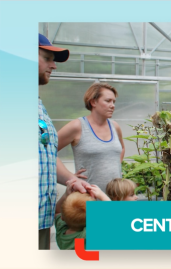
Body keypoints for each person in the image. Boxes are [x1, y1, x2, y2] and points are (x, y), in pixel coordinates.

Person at [38, 33, 90, 250]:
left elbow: (47, 154)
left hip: (41, 217)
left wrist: (72, 180)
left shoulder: (39, 106)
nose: (54, 66)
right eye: (47, 58)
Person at [57, 82, 125, 192]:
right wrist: (70, 177)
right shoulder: (77, 126)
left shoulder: (115, 126)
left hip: (115, 194)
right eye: (108, 101)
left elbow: (122, 148)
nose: (112, 105)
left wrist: (115, 167)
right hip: (88, 195)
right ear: (93, 102)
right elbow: (48, 152)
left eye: (114, 101)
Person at [55, 180, 110, 250]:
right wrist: (102, 195)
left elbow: (57, 212)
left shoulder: (61, 230)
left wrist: (66, 194)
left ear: (62, 217)